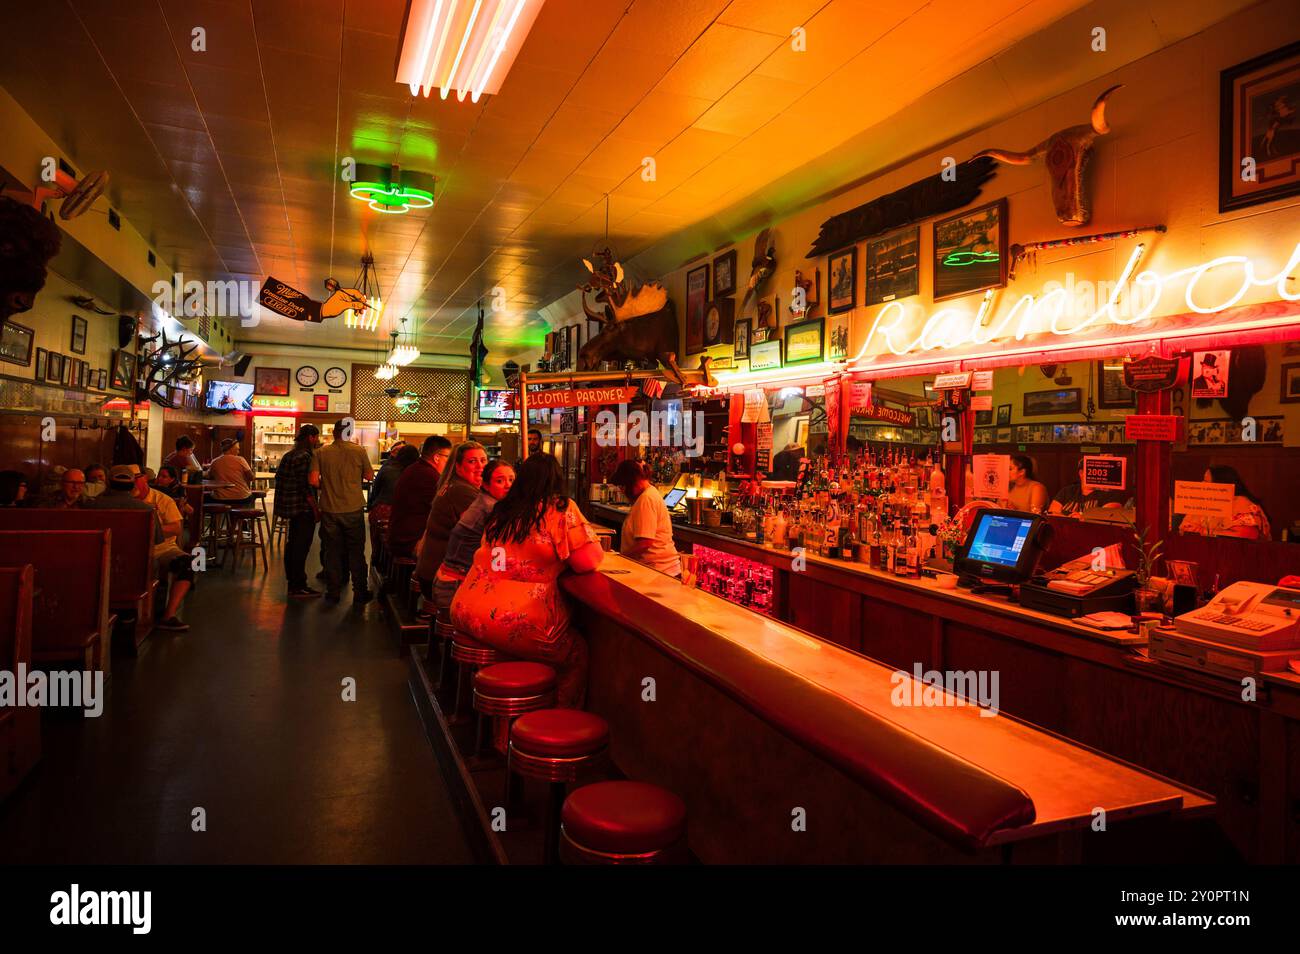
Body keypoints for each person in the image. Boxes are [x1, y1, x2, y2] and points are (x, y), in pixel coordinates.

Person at [452, 454, 604, 708]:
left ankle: (503, 733)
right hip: (513, 621)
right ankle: (554, 723)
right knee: (576, 653)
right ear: (558, 481)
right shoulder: (560, 508)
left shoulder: (503, 509)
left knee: (512, 653)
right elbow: (588, 561)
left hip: (467, 608)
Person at [432, 459, 515, 617]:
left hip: (448, 582)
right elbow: (498, 564)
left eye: (511, 479)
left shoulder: (485, 502)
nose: (508, 485)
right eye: (500, 481)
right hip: (455, 588)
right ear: (485, 485)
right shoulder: (492, 511)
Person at [310, 419, 375, 603]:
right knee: (356, 551)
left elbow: (313, 481)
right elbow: (369, 476)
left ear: (334, 432)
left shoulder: (320, 453)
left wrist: (329, 483)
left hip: (330, 510)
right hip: (353, 509)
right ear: (349, 433)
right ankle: (360, 592)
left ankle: (333, 592)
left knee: (332, 551)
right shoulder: (359, 451)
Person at [414, 442, 488, 599]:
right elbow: (488, 533)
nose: (480, 466)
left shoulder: (455, 485)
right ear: (458, 467)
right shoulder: (462, 491)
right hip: (444, 579)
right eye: (472, 461)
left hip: (431, 572)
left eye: (483, 460)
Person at [132, 465, 194, 632]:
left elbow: (177, 528)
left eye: (136, 479)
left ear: (144, 480)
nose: (133, 484)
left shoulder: (163, 499)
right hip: (131, 551)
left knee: (190, 563)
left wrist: (151, 528)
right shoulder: (122, 500)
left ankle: (169, 615)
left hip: (163, 549)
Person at [611, 459, 680, 577]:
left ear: (632, 481)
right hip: (657, 572)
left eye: (623, 486)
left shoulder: (646, 499)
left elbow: (644, 543)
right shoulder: (648, 494)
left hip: (659, 573)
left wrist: (620, 559)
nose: (622, 491)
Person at [276, 423, 322, 599]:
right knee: (300, 547)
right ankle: (298, 585)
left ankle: (293, 583)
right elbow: (307, 486)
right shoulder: (305, 457)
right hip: (302, 508)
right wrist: (316, 509)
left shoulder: (289, 455)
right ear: (311, 438)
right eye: (316, 437)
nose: (317, 441)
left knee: (293, 545)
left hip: (289, 507)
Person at [388, 435, 451, 559]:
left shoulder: (415, 468)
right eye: (448, 457)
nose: (449, 463)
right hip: (409, 542)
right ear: (437, 457)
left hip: (400, 537)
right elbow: (443, 512)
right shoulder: (429, 476)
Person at [1179, 465, 1271, 540]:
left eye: (1206, 481)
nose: (1201, 483)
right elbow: (1184, 528)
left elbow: (1246, 535)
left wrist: (1203, 531)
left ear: (1222, 485)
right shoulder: (1204, 502)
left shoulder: (1242, 503)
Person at [1048, 460, 1133, 516]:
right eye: (1092, 469)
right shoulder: (1067, 491)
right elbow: (1052, 514)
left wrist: (1082, 517)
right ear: (1081, 473)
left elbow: (1105, 517)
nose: (1096, 474)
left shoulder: (1111, 494)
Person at [207, 437, 254, 503]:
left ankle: (218, 513)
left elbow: (210, 477)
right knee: (250, 497)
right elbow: (251, 477)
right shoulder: (240, 460)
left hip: (220, 498)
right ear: (231, 449)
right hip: (241, 497)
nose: (238, 452)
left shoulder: (214, 462)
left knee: (207, 497)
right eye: (237, 449)